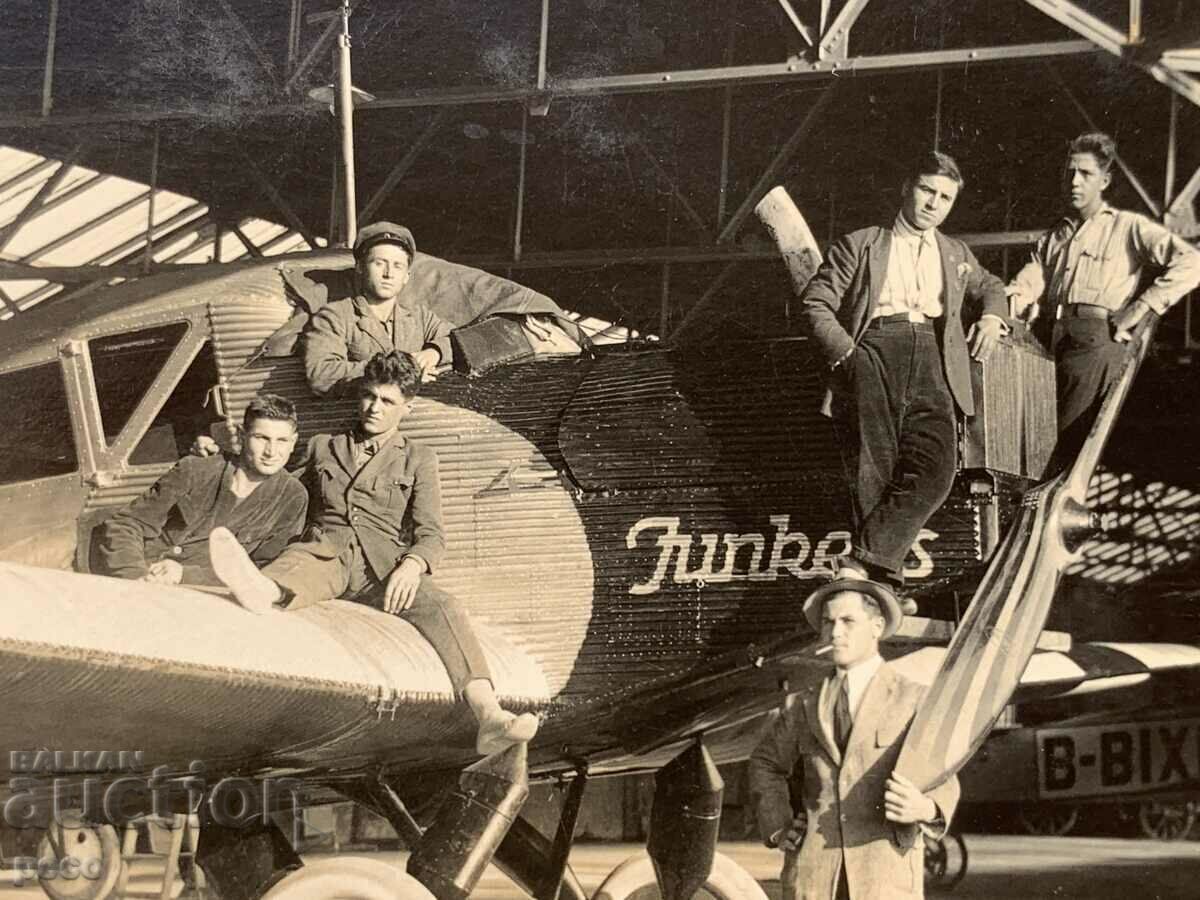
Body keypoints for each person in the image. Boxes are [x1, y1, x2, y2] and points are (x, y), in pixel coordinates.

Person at [208, 350, 538, 756]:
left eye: (387, 401)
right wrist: (222, 453)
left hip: (385, 569)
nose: (373, 408)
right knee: (293, 572)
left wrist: (414, 565)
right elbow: (271, 477)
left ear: (407, 407)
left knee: (445, 607)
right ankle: (263, 589)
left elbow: (432, 533)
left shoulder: (419, 458)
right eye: (368, 396)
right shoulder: (322, 446)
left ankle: (489, 715)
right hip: (326, 551)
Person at [798, 151, 1008, 613]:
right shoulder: (861, 243)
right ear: (907, 188)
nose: (934, 203)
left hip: (935, 360)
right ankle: (884, 586)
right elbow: (815, 302)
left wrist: (993, 317)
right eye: (927, 190)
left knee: (936, 470)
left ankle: (859, 565)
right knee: (875, 470)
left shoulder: (956, 253)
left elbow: (992, 287)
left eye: (945, 197)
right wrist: (848, 356)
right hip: (876, 350)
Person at [748, 581, 959, 900]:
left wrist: (926, 807)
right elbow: (765, 762)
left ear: (876, 627)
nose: (835, 632)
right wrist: (779, 826)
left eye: (848, 621)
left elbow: (944, 774)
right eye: (828, 622)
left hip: (885, 875)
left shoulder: (913, 699)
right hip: (815, 876)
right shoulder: (805, 703)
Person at [1006, 131, 1200, 469]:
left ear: (1105, 180)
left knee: (1063, 450)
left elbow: (1192, 261)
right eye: (1069, 173)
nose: (1074, 181)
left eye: (1085, 174)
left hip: (1093, 341)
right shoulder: (1054, 236)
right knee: (1032, 446)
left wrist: (1142, 306)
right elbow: (1029, 280)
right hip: (1048, 342)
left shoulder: (1127, 227)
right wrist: (1011, 300)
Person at [94, 394, 308, 586]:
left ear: (293, 443)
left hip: (201, 591)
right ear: (242, 436)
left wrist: (185, 575)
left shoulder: (292, 496)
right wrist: (135, 576)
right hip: (140, 575)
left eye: (282, 441)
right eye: (262, 438)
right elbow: (127, 523)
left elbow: (259, 569)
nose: (271, 452)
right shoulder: (195, 469)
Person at [304, 222, 453, 396]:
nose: (388, 274)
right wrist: (400, 370)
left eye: (398, 266)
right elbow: (321, 374)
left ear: (406, 276)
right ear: (360, 267)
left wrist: (435, 351)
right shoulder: (335, 316)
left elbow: (456, 339)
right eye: (379, 263)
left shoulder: (419, 316)